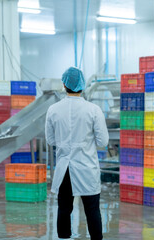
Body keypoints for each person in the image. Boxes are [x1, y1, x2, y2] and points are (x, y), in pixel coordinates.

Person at [45, 67, 109, 240]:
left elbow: (50, 141)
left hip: (65, 167)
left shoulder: (53, 109)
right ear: (82, 85)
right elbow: (103, 141)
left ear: (64, 85)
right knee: (92, 210)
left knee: (64, 209)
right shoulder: (93, 109)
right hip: (87, 166)